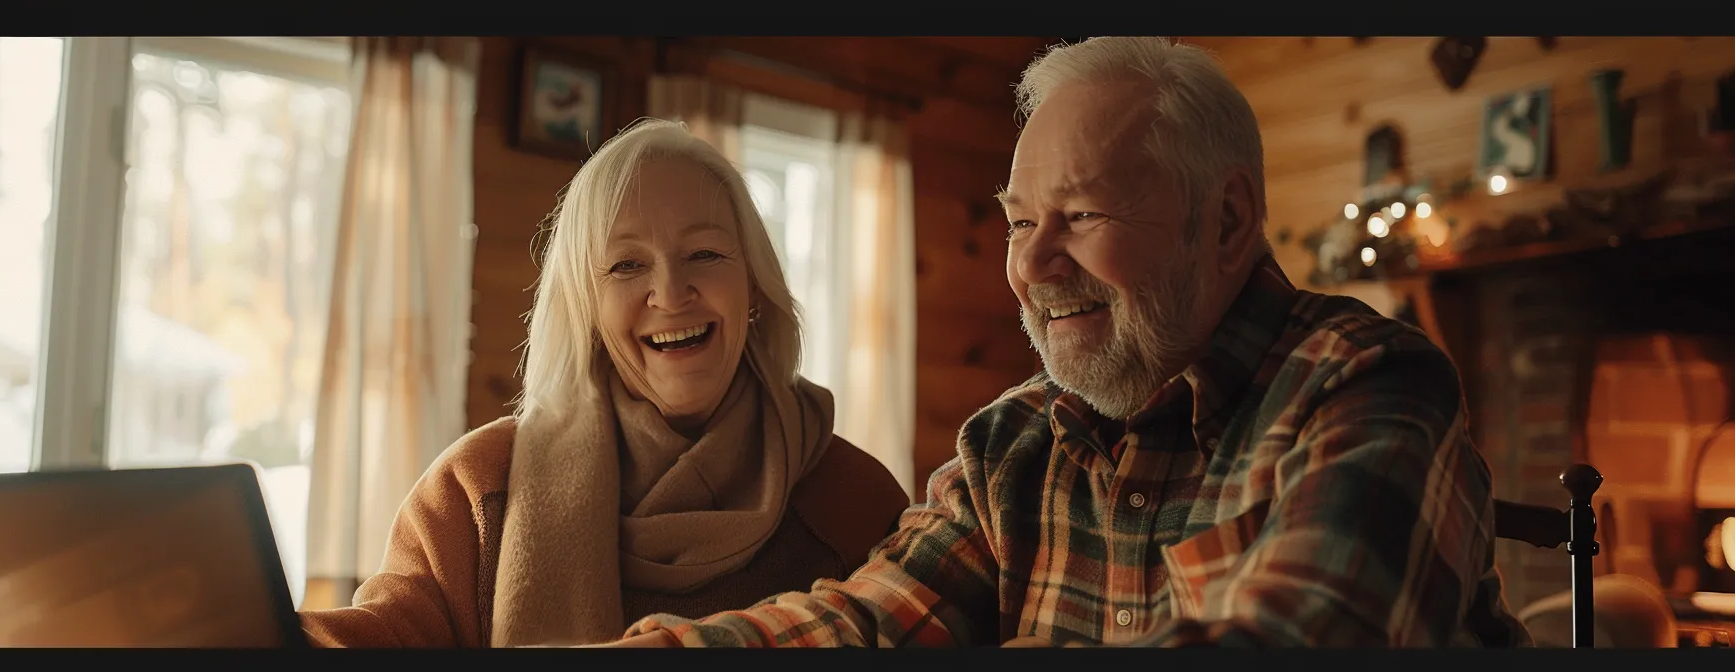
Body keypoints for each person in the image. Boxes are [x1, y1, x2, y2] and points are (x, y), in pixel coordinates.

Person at [605, 37, 1531, 648]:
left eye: (1081, 213)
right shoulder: (1014, 442)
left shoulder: (1366, 382)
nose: (1034, 266)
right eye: (1017, 222)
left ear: (1229, 219)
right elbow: (865, 623)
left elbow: (1306, 636)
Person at [298, 119, 909, 647]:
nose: (670, 293)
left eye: (705, 254)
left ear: (753, 285)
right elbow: (384, 636)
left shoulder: (856, 499)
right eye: (627, 264)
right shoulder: (476, 489)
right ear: (586, 306)